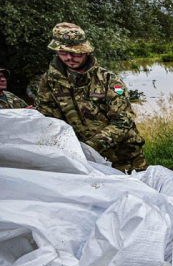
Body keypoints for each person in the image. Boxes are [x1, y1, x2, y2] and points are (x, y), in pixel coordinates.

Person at [35, 22, 147, 172]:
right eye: (63, 53)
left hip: (123, 159)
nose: (69, 57)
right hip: (79, 161)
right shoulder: (48, 81)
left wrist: (90, 147)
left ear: (86, 51)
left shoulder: (109, 80)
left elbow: (123, 121)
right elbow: (48, 120)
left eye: (75, 53)